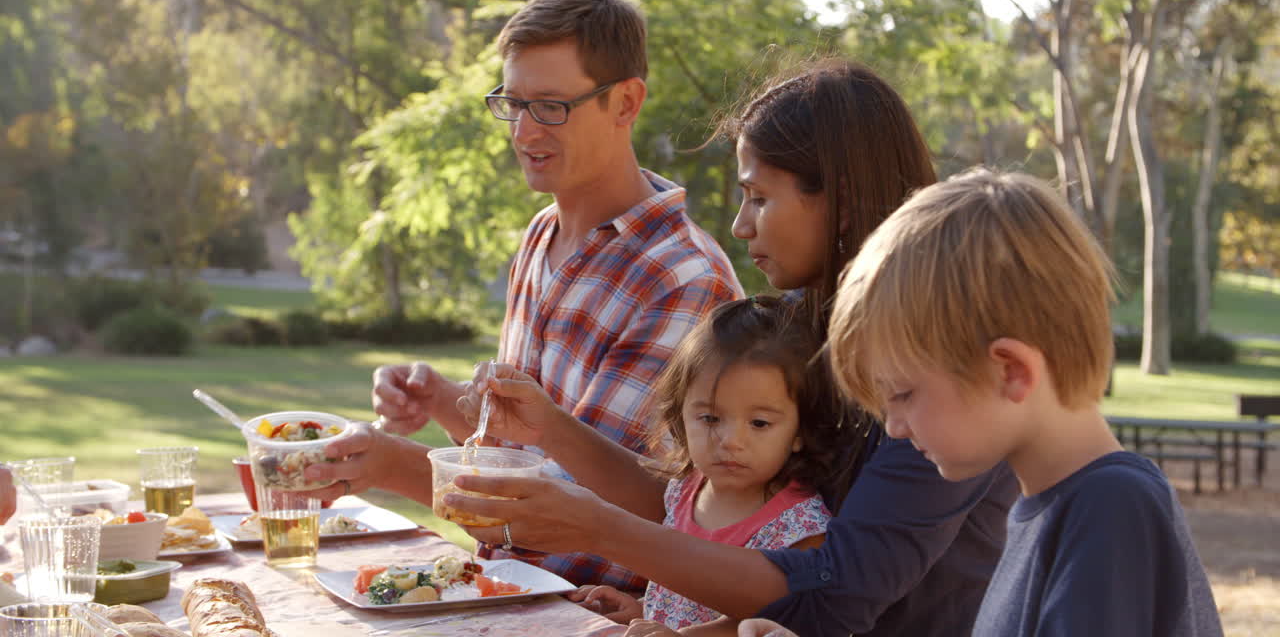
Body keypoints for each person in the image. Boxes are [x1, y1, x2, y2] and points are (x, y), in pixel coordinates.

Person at [444, 59, 1019, 637]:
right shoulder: (801, 332)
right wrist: (549, 428)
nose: (741, 226)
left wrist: (598, 529)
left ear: (840, 201)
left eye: (759, 198)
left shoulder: (939, 369)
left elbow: (838, 593)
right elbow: (701, 500)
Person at [304, 0, 742, 591]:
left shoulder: (682, 280)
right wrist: (444, 400)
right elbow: (535, 444)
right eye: (513, 104)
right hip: (502, 591)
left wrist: (394, 466)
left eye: (551, 107)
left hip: (594, 615)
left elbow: (604, 509)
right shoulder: (543, 232)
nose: (524, 134)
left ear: (625, 102)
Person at [826, 168, 1223, 637]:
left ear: (1010, 370)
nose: (893, 427)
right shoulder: (1048, 506)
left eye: (903, 395)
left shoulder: (1110, 508)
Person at [572, 296, 835, 630]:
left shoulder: (801, 528)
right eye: (710, 418)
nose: (731, 441)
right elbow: (684, 599)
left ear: (800, 430)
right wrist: (641, 609)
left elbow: (780, 622)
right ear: (681, 416)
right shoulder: (685, 490)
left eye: (759, 424)